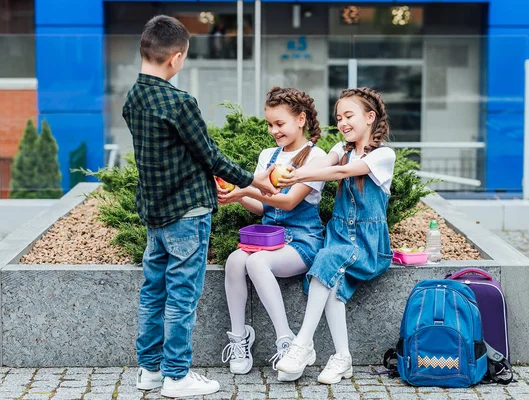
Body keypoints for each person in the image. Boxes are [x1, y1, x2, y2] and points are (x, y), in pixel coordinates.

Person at [122, 15, 277, 398]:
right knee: (182, 296)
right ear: (175, 58)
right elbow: (209, 155)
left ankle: (150, 371)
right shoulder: (179, 102)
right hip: (187, 214)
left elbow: (166, 153)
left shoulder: (133, 99)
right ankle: (177, 376)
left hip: (155, 214)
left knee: (153, 292)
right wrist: (252, 181)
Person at [275, 87, 396, 384]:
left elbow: (342, 173)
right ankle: (343, 358)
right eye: (338, 117)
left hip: (367, 245)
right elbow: (323, 165)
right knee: (333, 288)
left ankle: (302, 343)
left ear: (370, 117)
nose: (342, 122)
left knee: (327, 261)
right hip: (339, 237)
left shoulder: (383, 155)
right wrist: (288, 171)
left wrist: (298, 177)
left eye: (349, 115)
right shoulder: (340, 149)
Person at [217, 87, 326, 381]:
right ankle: (240, 339)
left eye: (280, 124)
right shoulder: (268, 155)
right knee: (234, 262)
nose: (273, 130)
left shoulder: (317, 158)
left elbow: (289, 201)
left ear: (301, 119)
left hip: (303, 241)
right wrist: (237, 197)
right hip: (268, 238)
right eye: (270, 124)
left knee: (255, 262)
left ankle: (287, 342)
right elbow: (260, 207)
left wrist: (244, 188)